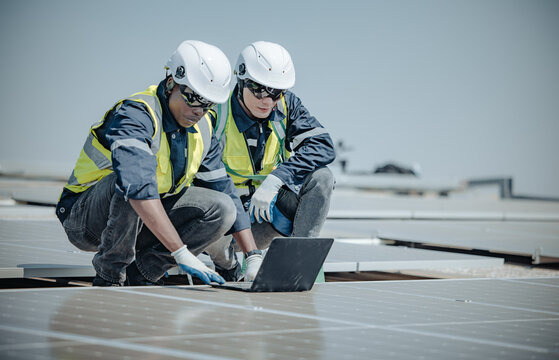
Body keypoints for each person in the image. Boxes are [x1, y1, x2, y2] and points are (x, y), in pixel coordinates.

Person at [56, 40, 263, 286]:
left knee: (223, 208)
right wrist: (180, 251)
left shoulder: (204, 129)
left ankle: (143, 272)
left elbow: (225, 190)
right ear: (172, 82)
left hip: (143, 221)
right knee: (130, 183)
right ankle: (110, 276)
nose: (199, 110)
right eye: (194, 98)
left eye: (207, 103)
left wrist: (253, 257)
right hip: (87, 221)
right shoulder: (137, 114)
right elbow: (137, 187)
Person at [204, 41, 336, 281]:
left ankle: (298, 263)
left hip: (266, 216)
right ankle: (229, 266)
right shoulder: (216, 111)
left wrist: (278, 179)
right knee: (215, 220)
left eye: (276, 91)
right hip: (225, 224)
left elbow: (324, 145)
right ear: (241, 79)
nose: (267, 100)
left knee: (322, 178)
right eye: (258, 89)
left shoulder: (287, 105)